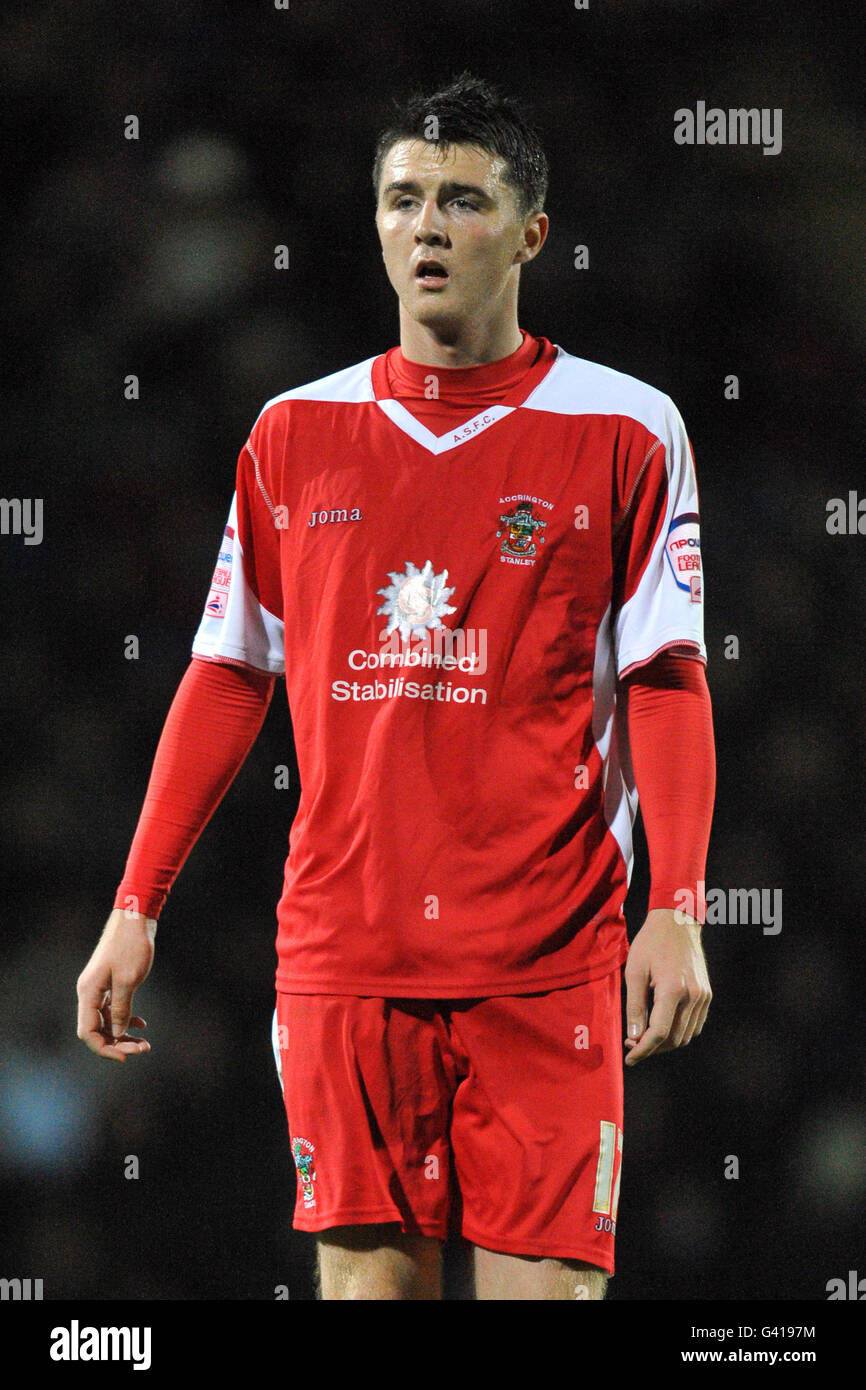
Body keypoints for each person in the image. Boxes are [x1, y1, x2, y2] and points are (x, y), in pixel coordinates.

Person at [77, 72, 715, 1301]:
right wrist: (134, 903)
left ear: (530, 233)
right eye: (402, 198)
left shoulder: (627, 427)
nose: (426, 225)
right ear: (373, 224)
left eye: (462, 201)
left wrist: (677, 905)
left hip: (545, 959)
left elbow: (667, 678)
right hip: (345, 957)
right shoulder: (290, 434)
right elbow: (224, 680)